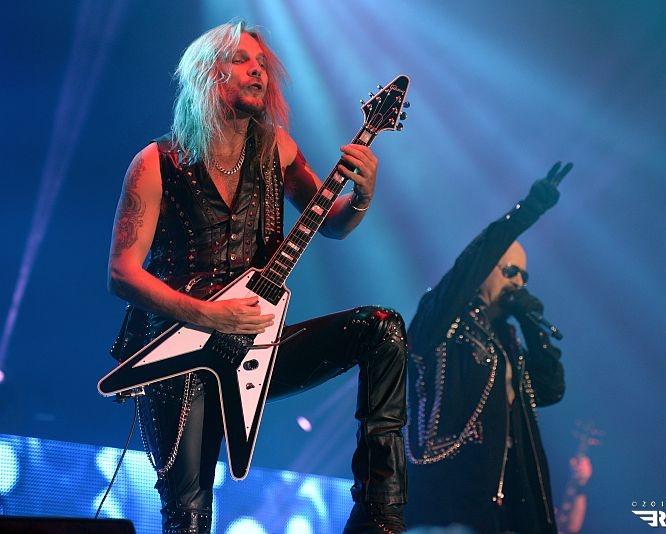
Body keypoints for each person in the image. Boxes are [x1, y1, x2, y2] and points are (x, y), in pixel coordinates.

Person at [107, 21, 406, 534]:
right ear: (207, 73)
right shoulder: (156, 163)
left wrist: (362, 196)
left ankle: (380, 512)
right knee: (189, 514)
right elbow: (121, 273)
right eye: (242, 60)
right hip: (176, 354)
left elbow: (329, 222)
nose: (258, 72)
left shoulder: (278, 149)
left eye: (263, 64)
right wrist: (209, 314)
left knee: (382, 329)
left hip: (255, 345)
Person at [405, 163, 572, 533]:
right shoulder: (442, 316)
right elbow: (472, 261)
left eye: (525, 276)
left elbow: (550, 390)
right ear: (485, 272)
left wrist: (530, 325)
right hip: (449, 496)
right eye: (510, 271)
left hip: (507, 504)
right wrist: (528, 211)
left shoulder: (506, 339)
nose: (518, 282)